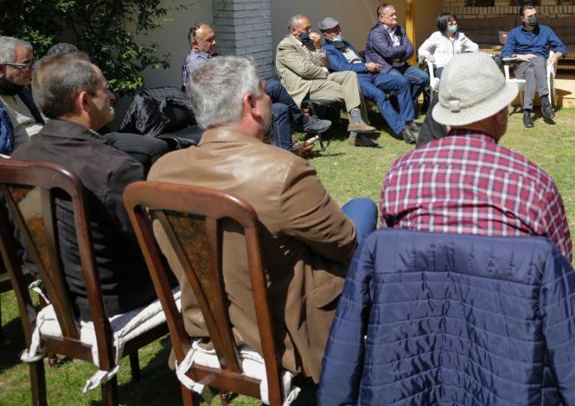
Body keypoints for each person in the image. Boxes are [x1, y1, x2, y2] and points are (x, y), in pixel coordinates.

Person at [149, 56, 373, 383]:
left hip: (205, 319)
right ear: (251, 103)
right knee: (363, 209)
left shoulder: (161, 171)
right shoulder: (283, 170)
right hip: (283, 325)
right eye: (266, 92)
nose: (270, 100)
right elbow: (345, 245)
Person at [381, 52, 573, 262]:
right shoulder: (535, 185)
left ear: (444, 119)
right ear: (501, 115)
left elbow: (388, 254)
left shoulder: (399, 176)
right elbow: (560, 265)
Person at [12, 52, 156, 319]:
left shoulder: (19, 159)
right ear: (85, 101)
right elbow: (153, 246)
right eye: (105, 89)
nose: (111, 96)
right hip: (117, 299)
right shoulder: (115, 167)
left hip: (57, 294)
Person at [184, 22, 330, 155]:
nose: (214, 42)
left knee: (280, 109)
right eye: (209, 40)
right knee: (275, 87)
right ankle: (303, 122)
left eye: (214, 38)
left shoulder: (209, 57)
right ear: (195, 44)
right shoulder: (197, 64)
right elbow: (221, 92)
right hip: (221, 109)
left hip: (231, 100)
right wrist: (252, 86)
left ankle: (285, 152)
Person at [275, 14, 377, 147]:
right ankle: (358, 134)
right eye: (306, 29)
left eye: (310, 28)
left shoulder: (308, 43)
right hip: (304, 85)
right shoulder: (286, 46)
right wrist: (323, 71)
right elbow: (304, 70)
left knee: (350, 75)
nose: (310, 32)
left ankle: (357, 124)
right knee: (350, 91)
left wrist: (318, 46)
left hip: (318, 79)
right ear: (294, 30)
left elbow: (325, 63)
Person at [320, 17, 418, 144]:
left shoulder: (345, 43)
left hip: (371, 74)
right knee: (379, 95)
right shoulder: (327, 49)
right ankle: (402, 130)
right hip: (356, 78)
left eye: (338, 28)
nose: (339, 32)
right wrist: (365, 66)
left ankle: (408, 121)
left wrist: (371, 65)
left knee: (403, 82)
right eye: (335, 30)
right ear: (326, 35)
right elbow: (341, 67)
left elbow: (360, 58)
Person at [499, 4, 565, 128]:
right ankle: (545, 101)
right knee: (537, 61)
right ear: (522, 19)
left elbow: (561, 47)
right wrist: (520, 56)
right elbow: (504, 54)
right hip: (521, 67)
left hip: (539, 67)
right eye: (530, 16)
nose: (534, 18)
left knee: (532, 70)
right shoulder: (514, 33)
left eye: (535, 15)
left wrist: (556, 55)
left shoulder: (546, 30)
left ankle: (527, 112)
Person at [365, 4, 430, 109]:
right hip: (386, 68)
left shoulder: (399, 29)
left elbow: (411, 49)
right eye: (391, 15)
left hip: (402, 65)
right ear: (381, 18)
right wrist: (403, 48)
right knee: (402, 81)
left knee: (423, 77)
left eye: (395, 14)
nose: (395, 17)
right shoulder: (376, 33)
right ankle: (404, 107)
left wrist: (400, 58)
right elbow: (388, 52)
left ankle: (405, 103)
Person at [0, 36, 44, 149]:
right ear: (1, 69)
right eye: (25, 65)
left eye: (32, 63)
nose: (31, 69)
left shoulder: (21, 90)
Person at [417, 11, 479, 80]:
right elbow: (421, 49)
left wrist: (467, 56)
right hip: (441, 67)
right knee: (450, 79)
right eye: (450, 23)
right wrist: (428, 55)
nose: (454, 23)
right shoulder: (437, 36)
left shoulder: (461, 36)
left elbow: (475, 47)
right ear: (443, 25)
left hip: (457, 67)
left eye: (454, 21)